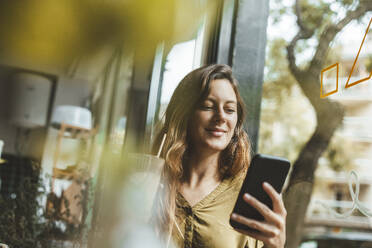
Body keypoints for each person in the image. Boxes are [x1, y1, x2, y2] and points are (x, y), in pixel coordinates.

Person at [151, 64, 286, 248]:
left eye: (230, 110)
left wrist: (275, 246)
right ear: (185, 114)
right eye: (207, 107)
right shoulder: (152, 181)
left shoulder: (246, 196)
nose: (221, 117)